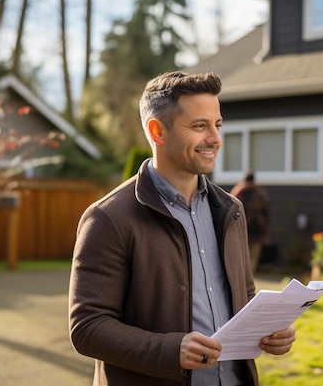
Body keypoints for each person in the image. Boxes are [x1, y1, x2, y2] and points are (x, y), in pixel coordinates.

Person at [69, 71, 296, 386]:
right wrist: (170, 350)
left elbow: (243, 294)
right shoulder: (109, 218)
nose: (215, 138)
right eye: (199, 126)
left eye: (217, 125)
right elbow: (88, 327)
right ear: (157, 131)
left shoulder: (231, 210)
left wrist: (268, 330)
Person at [230, 171, 270, 273]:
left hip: (242, 230)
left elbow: (230, 212)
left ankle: (242, 278)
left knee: (241, 256)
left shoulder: (237, 192)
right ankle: (250, 279)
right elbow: (266, 214)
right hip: (257, 229)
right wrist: (265, 232)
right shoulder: (260, 193)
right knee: (253, 257)